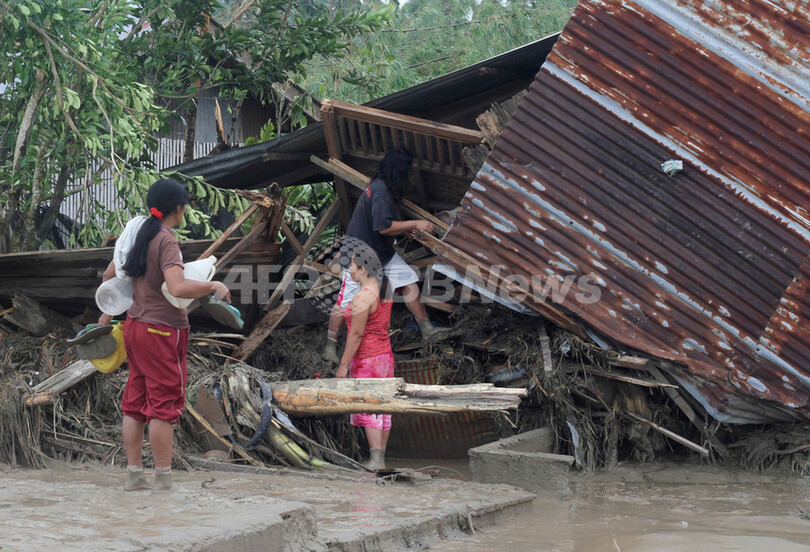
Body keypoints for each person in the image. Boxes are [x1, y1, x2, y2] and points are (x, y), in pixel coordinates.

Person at [118, 178, 231, 491]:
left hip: (135, 326)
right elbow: (178, 286)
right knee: (163, 407)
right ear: (178, 209)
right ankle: (164, 480)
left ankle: (134, 475)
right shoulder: (166, 240)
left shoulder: (141, 233)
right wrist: (212, 286)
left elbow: (116, 274)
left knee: (135, 403)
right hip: (160, 331)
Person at [322, 148, 447, 364]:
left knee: (409, 281)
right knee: (346, 302)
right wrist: (416, 223)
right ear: (400, 171)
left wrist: (405, 229)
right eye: (407, 170)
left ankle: (427, 329)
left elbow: (387, 224)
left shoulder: (386, 189)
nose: (409, 175)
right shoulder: (381, 191)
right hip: (358, 258)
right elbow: (383, 227)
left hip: (381, 253)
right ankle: (330, 347)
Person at [335, 243, 394, 471]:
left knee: (369, 405)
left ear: (363, 270)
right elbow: (382, 324)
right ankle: (380, 457)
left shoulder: (363, 297)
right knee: (385, 405)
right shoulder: (383, 290)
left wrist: (342, 365)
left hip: (368, 359)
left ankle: (376, 459)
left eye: (351, 264)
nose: (349, 268)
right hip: (385, 356)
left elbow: (357, 333)